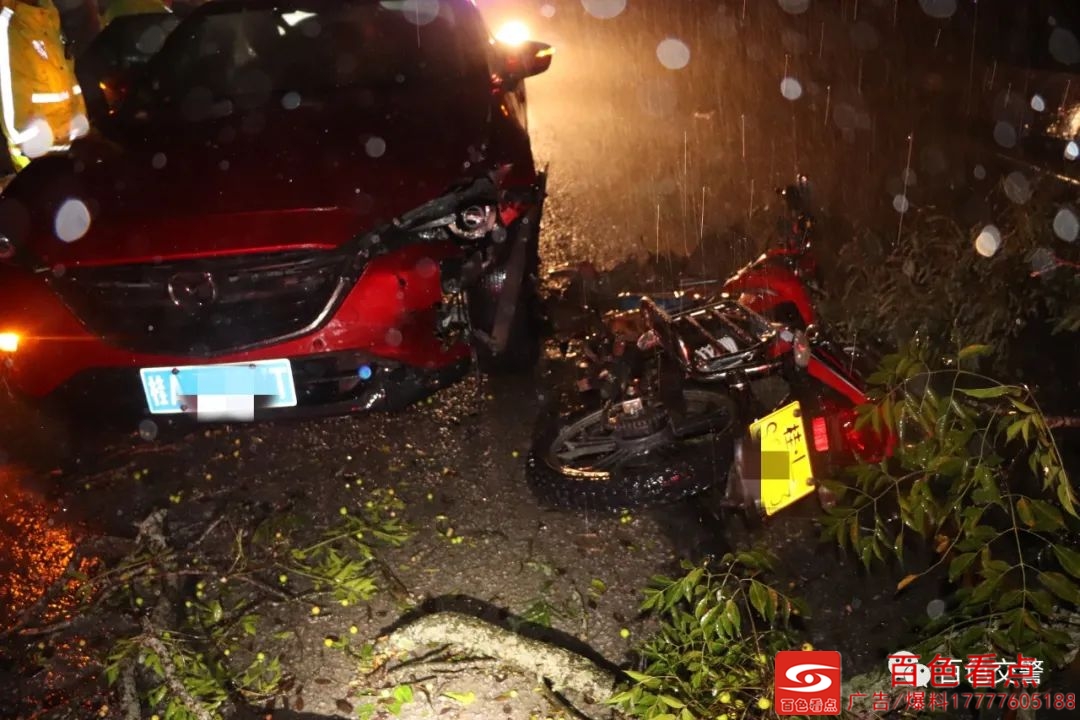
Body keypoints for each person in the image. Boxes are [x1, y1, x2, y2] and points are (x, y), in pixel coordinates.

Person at [0, 0, 87, 174]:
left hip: (72, 152)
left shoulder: (48, 16)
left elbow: (69, 80)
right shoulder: (8, 23)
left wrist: (83, 136)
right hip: (40, 162)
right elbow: (14, 117)